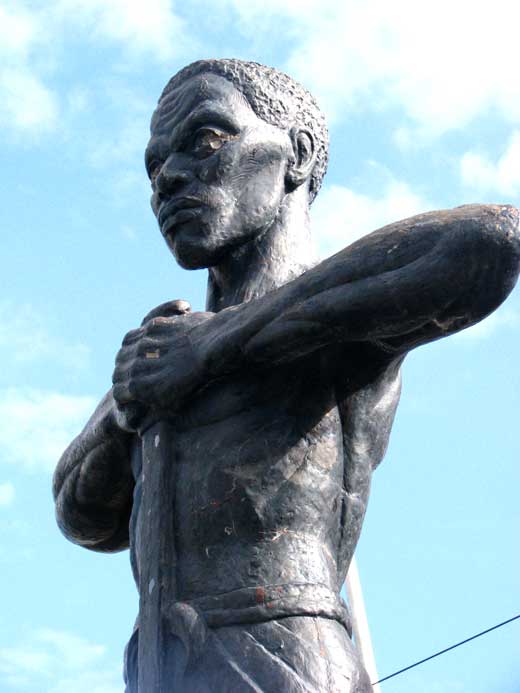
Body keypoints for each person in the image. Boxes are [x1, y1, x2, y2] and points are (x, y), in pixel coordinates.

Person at [53, 59, 520, 692]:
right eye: (154, 165)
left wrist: (214, 345)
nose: (168, 178)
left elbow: (488, 242)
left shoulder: (333, 317)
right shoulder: (167, 350)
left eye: (206, 140)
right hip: (157, 670)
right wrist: (125, 405)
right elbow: (80, 512)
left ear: (295, 155)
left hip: (281, 656)